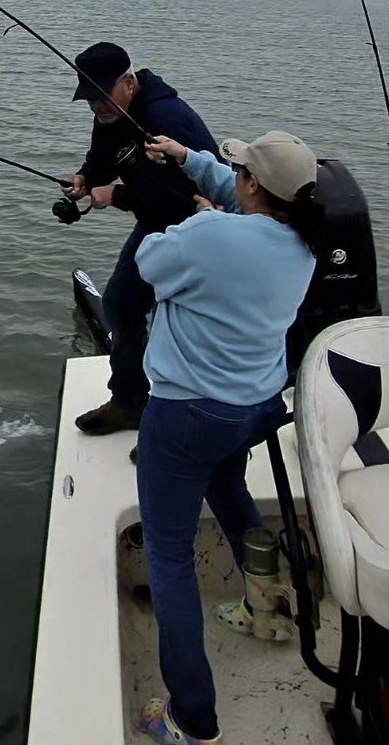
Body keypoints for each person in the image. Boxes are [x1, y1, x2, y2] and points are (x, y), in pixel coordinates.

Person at [132, 129, 322, 745]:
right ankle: (269, 608)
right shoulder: (305, 244)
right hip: (256, 407)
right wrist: (190, 160)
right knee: (230, 492)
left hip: (188, 415)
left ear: (251, 185)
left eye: (239, 171)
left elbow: (148, 263)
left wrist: (201, 222)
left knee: (169, 558)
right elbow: (245, 207)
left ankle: (192, 719)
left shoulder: (214, 234)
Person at [64, 42, 220, 435]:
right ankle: (129, 403)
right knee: (122, 304)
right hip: (156, 223)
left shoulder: (166, 117)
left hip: (199, 228)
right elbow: (103, 154)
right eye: (89, 100)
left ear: (129, 83)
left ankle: (179, 428)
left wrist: (114, 195)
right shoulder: (110, 114)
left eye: (102, 97)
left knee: (179, 325)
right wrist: (87, 179)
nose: (97, 108)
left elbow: (181, 196)